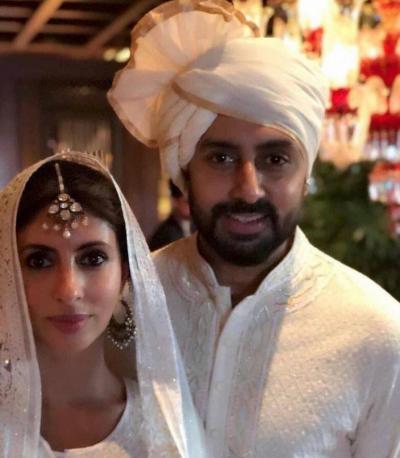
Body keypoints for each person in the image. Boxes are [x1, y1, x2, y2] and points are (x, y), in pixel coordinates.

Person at [108, 1, 400, 457]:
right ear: (185, 169)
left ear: (305, 173)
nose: (248, 189)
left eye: (275, 159)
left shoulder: (377, 333)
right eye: (221, 157)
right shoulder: (126, 304)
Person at [0, 151, 207, 457]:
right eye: (39, 261)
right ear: (7, 273)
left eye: (93, 258)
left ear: (125, 272)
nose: (69, 290)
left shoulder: (165, 428)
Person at [149, 180, 192, 251]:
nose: (192, 206)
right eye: (187, 202)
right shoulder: (164, 234)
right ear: (174, 201)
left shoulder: (196, 227)